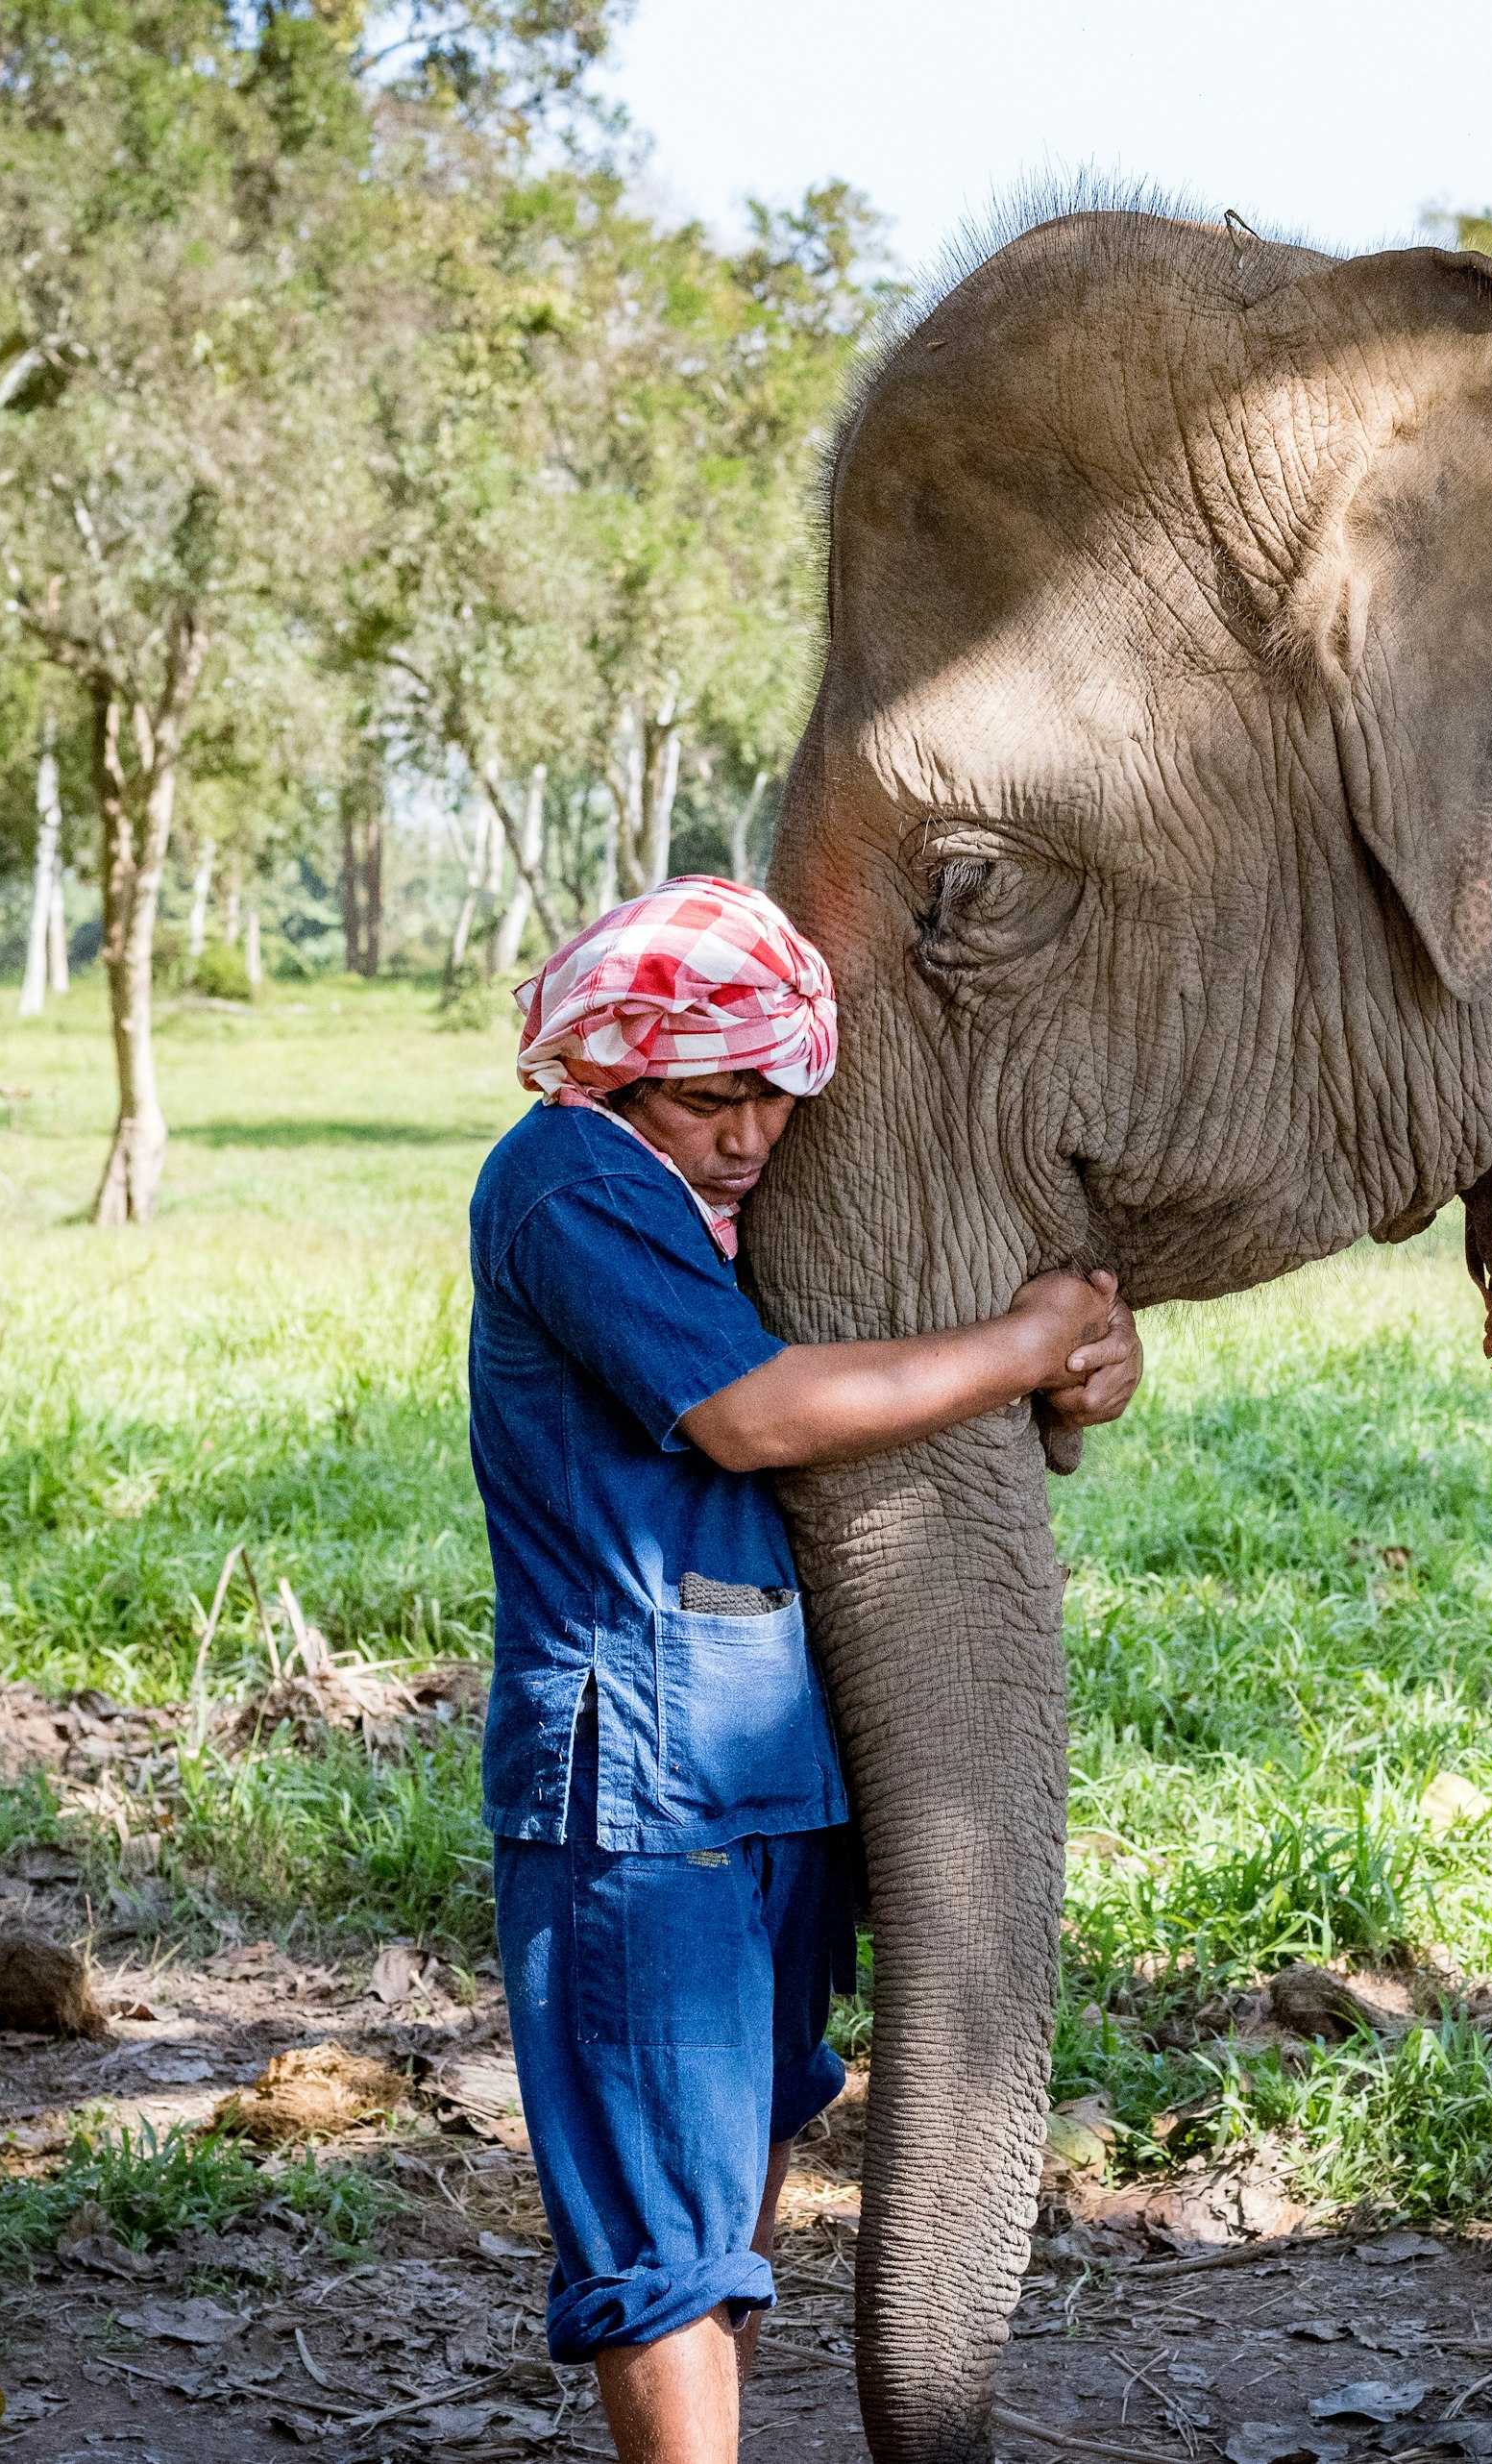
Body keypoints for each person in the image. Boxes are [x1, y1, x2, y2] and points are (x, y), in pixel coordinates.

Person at [469, 877, 1141, 2464]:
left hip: (767, 1770)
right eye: (712, 1094)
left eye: (777, 1095)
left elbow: (873, 1357)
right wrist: (1024, 1345)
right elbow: (756, 1416)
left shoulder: (709, 1211)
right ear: (611, 1071)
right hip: (636, 1787)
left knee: (737, 2174)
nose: (751, 1132)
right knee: (666, 2241)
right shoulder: (569, 1182)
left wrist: (1076, 1364)